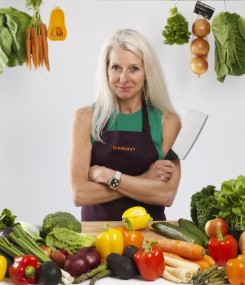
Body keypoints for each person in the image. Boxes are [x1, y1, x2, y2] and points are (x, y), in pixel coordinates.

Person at [69, 29, 181, 221]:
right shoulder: (85, 118)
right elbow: (80, 194)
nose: (123, 78)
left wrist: (109, 176)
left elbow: (166, 195)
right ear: (106, 70)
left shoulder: (168, 122)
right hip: (97, 236)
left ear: (146, 72)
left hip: (149, 239)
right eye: (116, 68)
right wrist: (144, 181)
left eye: (133, 68)